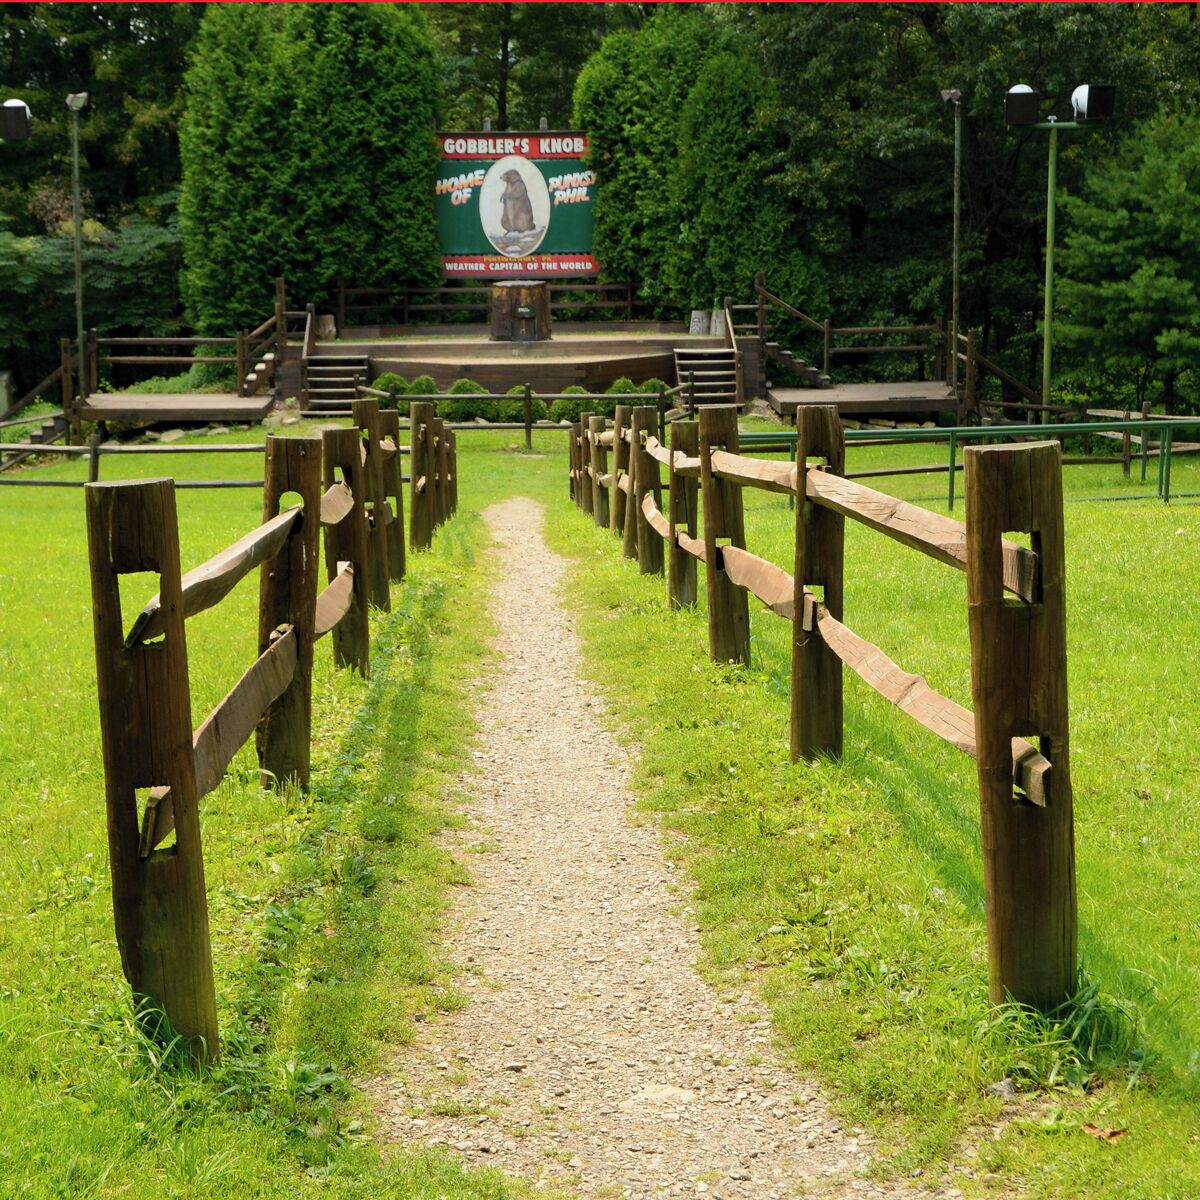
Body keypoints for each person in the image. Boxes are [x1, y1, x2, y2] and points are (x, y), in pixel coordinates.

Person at [500, 169, 535, 233]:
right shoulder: (509, 184)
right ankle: (511, 229)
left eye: (506, 176)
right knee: (507, 219)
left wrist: (507, 195)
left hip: (521, 210)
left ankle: (522, 229)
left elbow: (518, 194)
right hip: (511, 210)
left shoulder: (519, 184)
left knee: (520, 219)